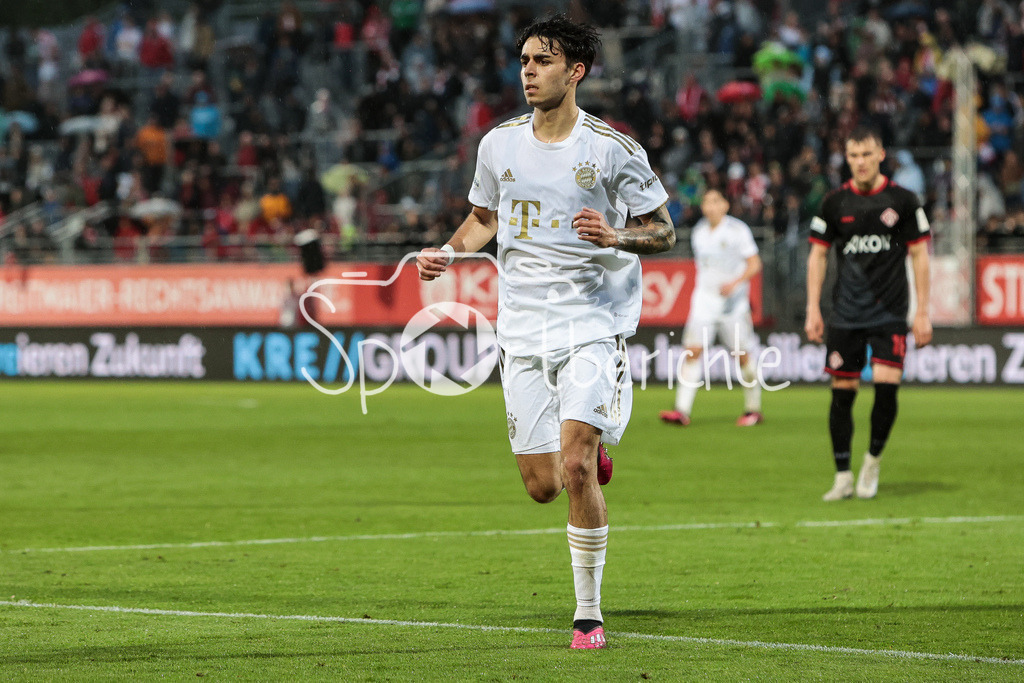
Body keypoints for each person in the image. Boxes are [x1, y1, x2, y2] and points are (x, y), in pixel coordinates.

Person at [416, 14, 674, 650]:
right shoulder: (499, 145)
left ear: (575, 71)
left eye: (542, 61)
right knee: (541, 485)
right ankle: (588, 449)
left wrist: (618, 235)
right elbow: (484, 217)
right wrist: (450, 251)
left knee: (577, 467)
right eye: (525, 60)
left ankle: (588, 613)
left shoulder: (611, 149)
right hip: (522, 329)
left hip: (590, 321)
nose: (528, 71)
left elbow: (664, 230)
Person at [804, 127, 932, 502]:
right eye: (853, 156)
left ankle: (872, 460)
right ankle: (843, 474)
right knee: (842, 393)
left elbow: (921, 256)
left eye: (866, 154)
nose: (859, 162)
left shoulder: (904, 200)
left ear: (881, 156)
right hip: (846, 315)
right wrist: (813, 308)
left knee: (887, 388)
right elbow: (818, 255)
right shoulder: (833, 203)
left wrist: (923, 312)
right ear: (847, 159)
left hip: (890, 312)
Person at [659, 187, 764, 427]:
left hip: (733, 305)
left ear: (725, 205)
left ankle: (753, 409)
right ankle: (681, 411)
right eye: (706, 202)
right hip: (704, 302)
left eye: (716, 201)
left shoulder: (738, 230)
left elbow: (755, 263)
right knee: (692, 351)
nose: (710, 206)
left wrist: (735, 283)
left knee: (742, 356)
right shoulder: (699, 232)